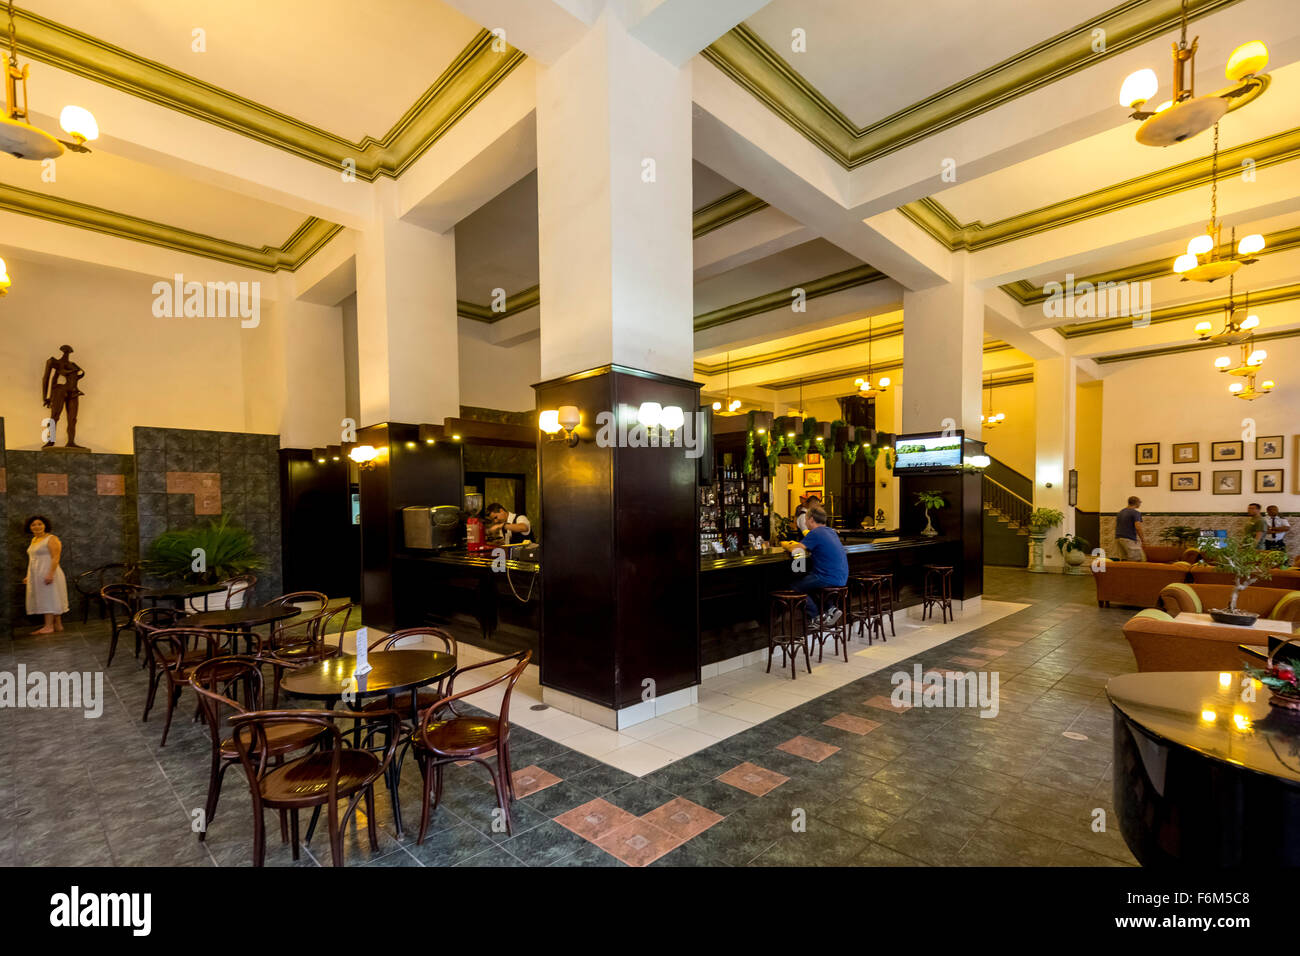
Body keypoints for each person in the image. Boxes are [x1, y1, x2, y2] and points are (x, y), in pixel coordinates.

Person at [781, 505, 848, 624]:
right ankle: (831, 609)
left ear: (811, 519)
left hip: (827, 577)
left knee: (795, 586)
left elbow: (797, 549)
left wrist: (785, 544)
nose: (805, 522)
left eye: (806, 519)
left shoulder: (816, 533)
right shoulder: (831, 532)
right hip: (841, 578)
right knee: (810, 584)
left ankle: (815, 616)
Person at [23, 515, 68, 634]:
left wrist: (50, 574)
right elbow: (33, 559)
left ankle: (48, 626)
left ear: (45, 525)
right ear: (30, 527)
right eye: (33, 524)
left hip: (49, 572)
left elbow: (55, 557)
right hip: (37, 573)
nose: (37, 526)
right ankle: (58, 625)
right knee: (53, 598)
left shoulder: (51, 538)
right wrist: (29, 576)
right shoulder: (34, 540)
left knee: (49, 598)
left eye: (39, 524)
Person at [1115, 496, 1147, 561]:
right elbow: (1138, 527)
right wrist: (1143, 540)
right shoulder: (1135, 512)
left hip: (1118, 539)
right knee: (1140, 559)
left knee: (1124, 560)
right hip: (1128, 539)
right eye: (1140, 502)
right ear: (1137, 503)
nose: (1140, 504)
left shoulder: (1120, 512)